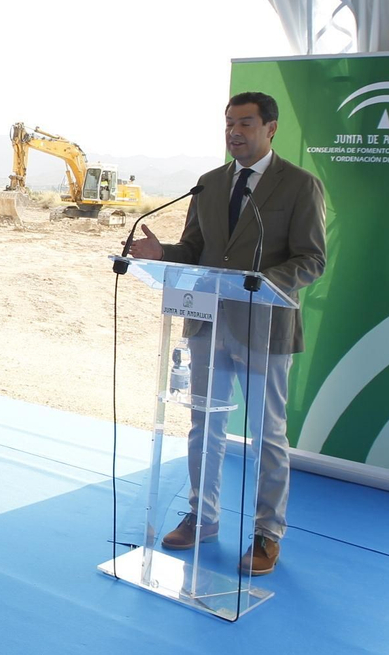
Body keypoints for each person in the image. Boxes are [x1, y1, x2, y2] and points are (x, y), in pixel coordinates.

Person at [128, 90, 326, 576]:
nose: (235, 133)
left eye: (246, 124)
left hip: (266, 328)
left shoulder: (299, 185)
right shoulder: (209, 184)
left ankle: (266, 533)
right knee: (204, 426)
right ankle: (203, 516)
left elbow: (312, 259)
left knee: (267, 436)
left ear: (270, 128)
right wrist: (163, 256)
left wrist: (260, 283)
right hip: (208, 325)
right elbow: (196, 249)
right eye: (229, 125)